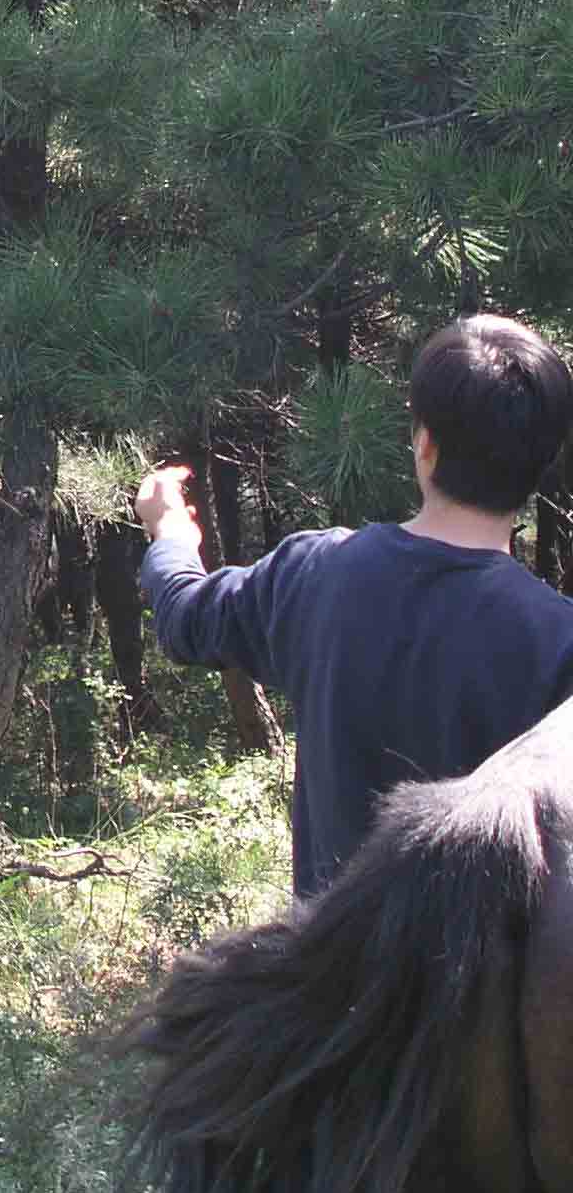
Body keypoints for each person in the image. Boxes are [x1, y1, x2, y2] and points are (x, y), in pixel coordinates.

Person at [135, 312, 573, 898]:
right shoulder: (557, 642)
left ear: (424, 444)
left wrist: (171, 536)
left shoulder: (316, 574)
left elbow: (184, 617)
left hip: (329, 984)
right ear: (542, 463)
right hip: (483, 987)